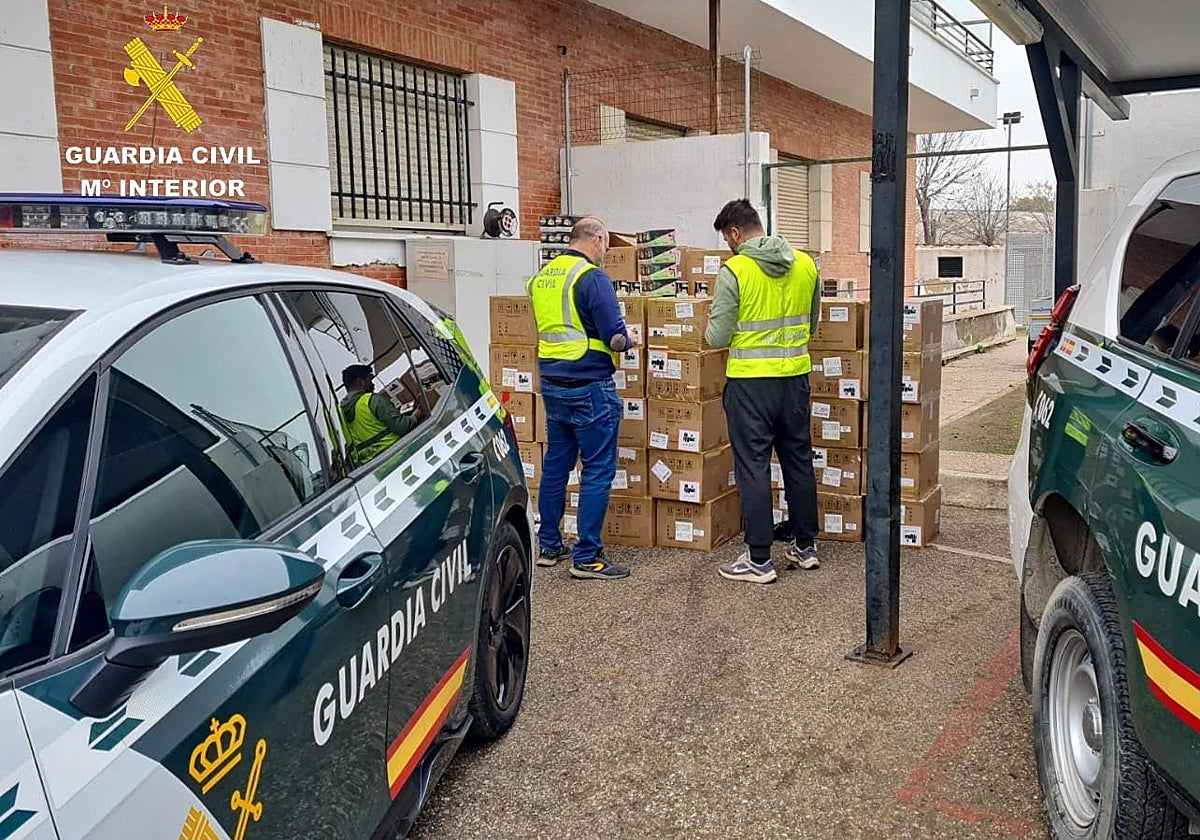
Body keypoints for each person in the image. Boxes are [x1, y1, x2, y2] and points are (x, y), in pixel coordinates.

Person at [705, 198, 821, 584]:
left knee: (753, 466)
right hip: (795, 380)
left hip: (751, 385)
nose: (728, 246)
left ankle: (759, 559)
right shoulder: (805, 264)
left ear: (735, 233)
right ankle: (805, 547)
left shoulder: (735, 270)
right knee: (798, 460)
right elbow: (813, 324)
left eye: (727, 239)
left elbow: (717, 335)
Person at [527, 217, 635, 580]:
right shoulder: (592, 278)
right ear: (599, 240)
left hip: (554, 386)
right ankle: (587, 557)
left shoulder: (542, 278)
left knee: (556, 464)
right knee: (598, 469)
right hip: (589, 385)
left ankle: (549, 545)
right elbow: (615, 337)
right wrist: (631, 337)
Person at [340, 364, 425, 465]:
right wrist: (416, 415)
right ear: (360, 382)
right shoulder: (371, 400)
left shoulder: (339, 412)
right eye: (369, 380)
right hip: (400, 455)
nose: (373, 385)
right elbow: (402, 426)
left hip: (374, 467)